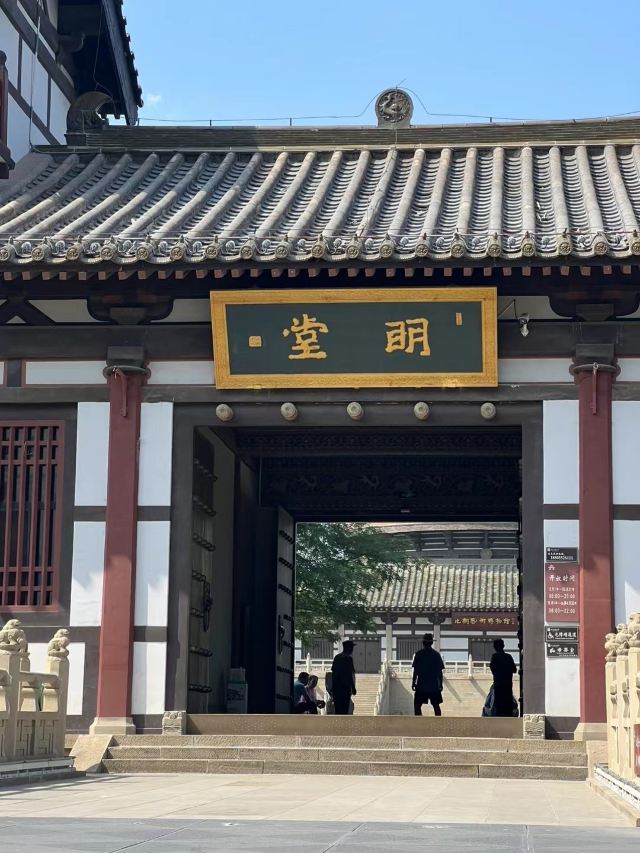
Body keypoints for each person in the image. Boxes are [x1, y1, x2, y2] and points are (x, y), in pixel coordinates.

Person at [411, 633, 445, 716]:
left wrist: (413, 683)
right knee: (436, 705)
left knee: (417, 705)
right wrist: (440, 684)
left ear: (423, 642)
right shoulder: (436, 655)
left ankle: (419, 721)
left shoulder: (418, 654)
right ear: (432, 643)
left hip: (421, 684)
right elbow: (439, 672)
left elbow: (416, 671)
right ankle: (438, 721)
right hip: (433, 685)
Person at [489, 638, 517, 717]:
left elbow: (492, 668)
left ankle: (499, 717)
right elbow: (514, 670)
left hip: (498, 683)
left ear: (494, 647)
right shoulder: (508, 656)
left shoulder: (494, 656)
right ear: (503, 646)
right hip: (508, 684)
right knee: (508, 701)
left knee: (499, 703)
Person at [331, 640, 357, 715]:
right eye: (351, 647)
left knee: (338, 709)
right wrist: (353, 687)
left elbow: (334, 673)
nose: (352, 649)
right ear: (348, 648)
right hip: (345, 688)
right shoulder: (348, 659)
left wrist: (332, 686)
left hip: (337, 688)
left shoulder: (337, 657)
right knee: (344, 710)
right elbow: (349, 675)